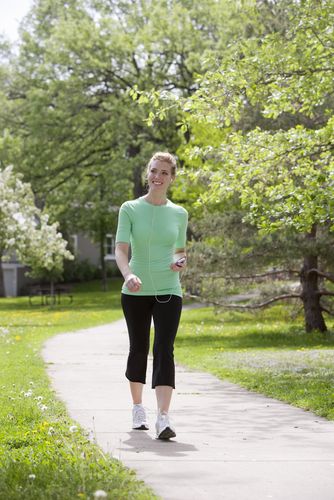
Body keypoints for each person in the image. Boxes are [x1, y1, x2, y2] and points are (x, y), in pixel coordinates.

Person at [115, 152, 188, 440]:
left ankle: (163, 418)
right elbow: (121, 250)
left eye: (164, 173)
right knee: (138, 347)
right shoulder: (130, 209)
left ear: (172, 178)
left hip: (169, 289)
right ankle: (137, 409)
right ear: (147, 173)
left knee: (164, 350)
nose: (158, 176)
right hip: (135, 290)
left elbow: (180, 252)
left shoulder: (179, 213)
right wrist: (128, 274)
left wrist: (179, 262)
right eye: (154, 171)